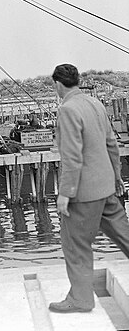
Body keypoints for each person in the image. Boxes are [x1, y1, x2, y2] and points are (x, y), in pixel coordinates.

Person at [49, 63, 129, 314]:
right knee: (125, 235)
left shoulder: (68, 109)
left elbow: (72, 157)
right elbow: (112, 144)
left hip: (84, 194)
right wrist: (117, 177)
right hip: (106, 187)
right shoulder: (95, 103)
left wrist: (65, 194)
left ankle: (81, 300)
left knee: (76, 245)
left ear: (58, 85)